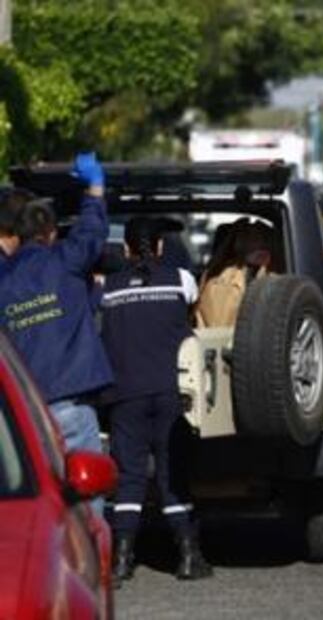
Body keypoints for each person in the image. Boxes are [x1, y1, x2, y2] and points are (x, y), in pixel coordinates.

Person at [99, 217, 213, 585]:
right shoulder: (182, 280)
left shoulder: (108, 289)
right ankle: (187, 557)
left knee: (129, 478)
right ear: (161, 247)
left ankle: (120, 561)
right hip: (170, 392)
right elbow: (196, 319)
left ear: (126, 248)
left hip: (124, 396)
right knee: (173, 475)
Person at [0, 154, 111, 467]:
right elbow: (91, 232)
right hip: (71, 406)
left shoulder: (4, 280)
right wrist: (95, 188)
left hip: (24, 418)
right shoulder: (66, 262)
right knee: (86, 500)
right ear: (50, 233)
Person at [195, 220, 273, 327]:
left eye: (266, 240)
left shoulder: (273, 272)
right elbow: (220, 329)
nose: (263, 245)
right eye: (254, 239)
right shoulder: (221, 279)